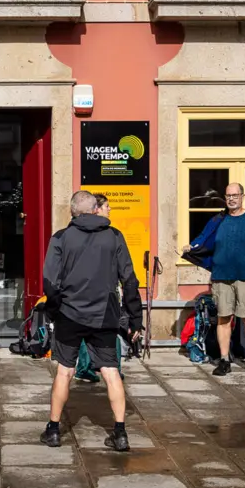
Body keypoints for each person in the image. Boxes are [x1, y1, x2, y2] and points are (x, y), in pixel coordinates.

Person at [41, 190, 142, 452]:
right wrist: (135, 319)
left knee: (65, 371)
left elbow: (50, 283)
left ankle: (53, 430)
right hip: (104, 316)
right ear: (95, 209)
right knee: (110, 371)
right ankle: (120, 432)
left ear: (72, 211)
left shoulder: (61, 238)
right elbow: (129, 281)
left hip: (70, 315)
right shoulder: (114, 236)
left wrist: (53, 311)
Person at [184, 182, 245, 380]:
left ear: (242, 196)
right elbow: (203, 238)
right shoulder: (218, 220)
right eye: (228, 196)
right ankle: (224, 360)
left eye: (235, 195)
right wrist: (191, 247)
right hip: (222, 277)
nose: (231, 199)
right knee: (224, 318)